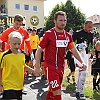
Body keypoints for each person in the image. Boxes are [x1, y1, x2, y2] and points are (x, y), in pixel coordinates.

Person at [34, 11, 86, 100]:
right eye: (60, 20)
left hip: (61, 67)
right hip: (50, 67)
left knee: (52, 90)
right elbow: (39, 50)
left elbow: (74, 50)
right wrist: (37, 66)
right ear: (55, 21)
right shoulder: (48, 34)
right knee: (57, 92)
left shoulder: (68, 36)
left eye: (64, 20)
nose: (63, 23)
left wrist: (82, 62)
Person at [0, 31, 35, 100]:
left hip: (19, 85)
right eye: (14, 44)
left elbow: (23, 65)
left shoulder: (22, 54)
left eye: (19, 44)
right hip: (8, 85)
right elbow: (0, 69)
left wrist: (33, 71)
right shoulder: (5, 55)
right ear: (9, 42)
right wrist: (0, 84)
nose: (17, 46)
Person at [72, 20, 94, 100]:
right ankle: (81, 92)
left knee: (82, 74)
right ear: (84, 25)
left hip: (85, 54)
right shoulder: (78, 33)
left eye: (91, 27)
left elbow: (91, 45)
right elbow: (70, 43)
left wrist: (93, 54)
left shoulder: (91, 34)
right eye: (89, 27)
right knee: (83, 72)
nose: (90, 29)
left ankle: (78, 91)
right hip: (78, 54)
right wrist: (77, 46)